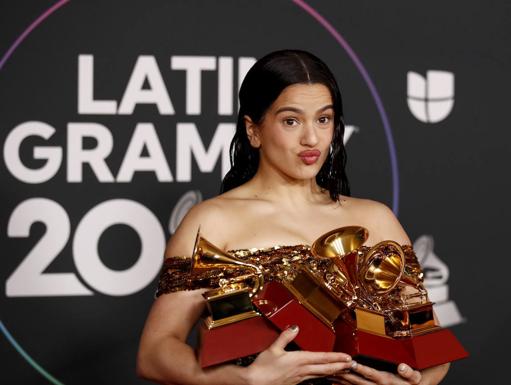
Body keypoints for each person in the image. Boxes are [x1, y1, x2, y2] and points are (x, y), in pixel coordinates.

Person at [137, 49, 450, 385]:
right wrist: (242, 381)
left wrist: (413, 383)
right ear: (253, 130)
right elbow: (155, 353)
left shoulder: (375, 219)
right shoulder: (212, 221)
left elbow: (430, 344)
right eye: (291, 121)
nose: (311, 138)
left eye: (323, 119)